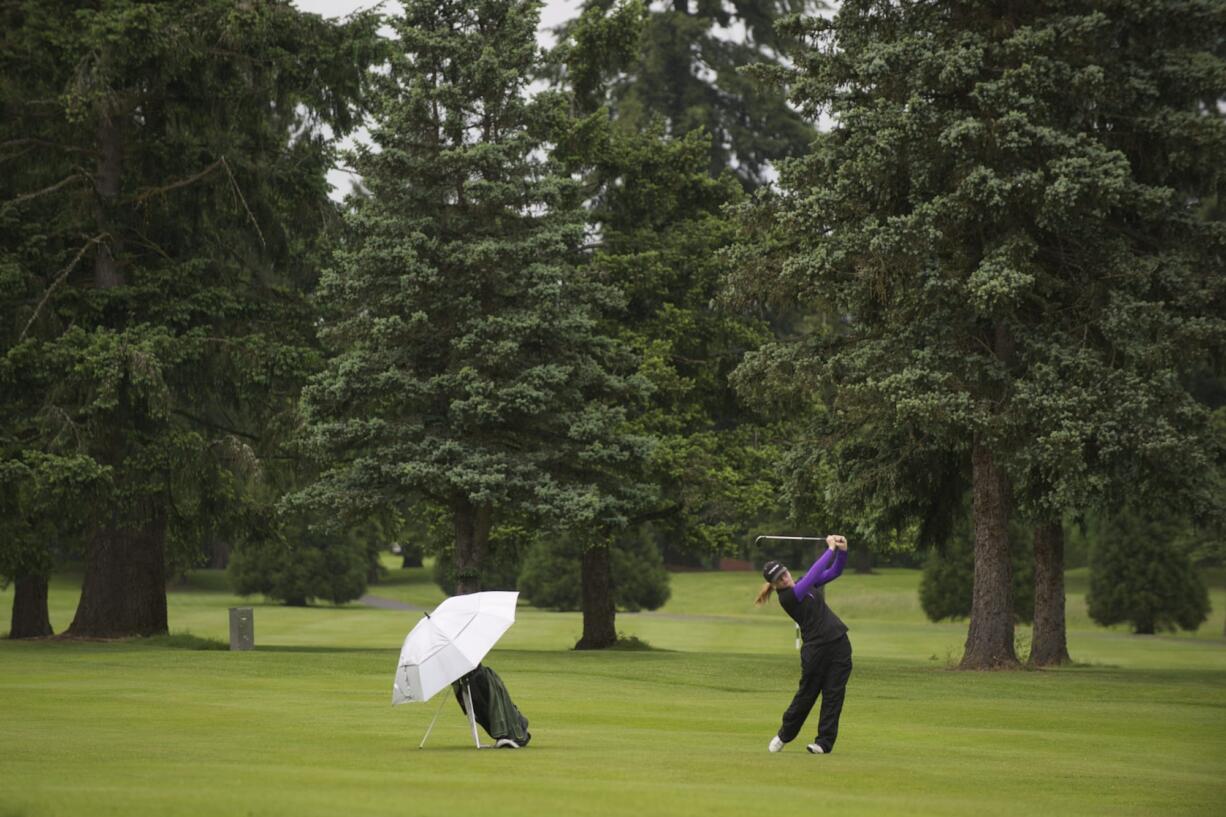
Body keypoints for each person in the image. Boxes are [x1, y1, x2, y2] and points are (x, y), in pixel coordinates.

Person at [755, 535, 852, 754]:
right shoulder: (788, 597)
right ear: (774, 585)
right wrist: (830, 550)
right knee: (807, 695)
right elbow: (813, 574)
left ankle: (823, 743)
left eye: (784, 574)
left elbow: (834, 572)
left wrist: (842, 552)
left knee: (833, 695)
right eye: (779, 580)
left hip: (838, 643)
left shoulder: (801, 584)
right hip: (815, 651)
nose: (784, 579)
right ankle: (784, 735)